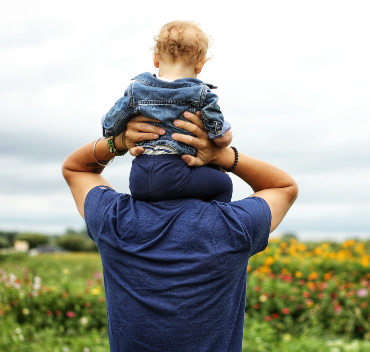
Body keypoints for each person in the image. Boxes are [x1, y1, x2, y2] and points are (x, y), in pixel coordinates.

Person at [62, 111, 298, 351]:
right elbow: (283, 187)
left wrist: (119, 142)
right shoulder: (234, 226)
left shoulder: (114, 219)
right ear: (211, 173)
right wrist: (223, 155)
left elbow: (77, 169)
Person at [102, 20, 233, 202]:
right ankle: (215, 225)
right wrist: (225, 134)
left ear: (156, 58)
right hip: (177, 174)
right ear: (199, 65)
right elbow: (220, 137)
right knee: (223, 184)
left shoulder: (136, 90)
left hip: (139, 177)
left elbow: (110, 127)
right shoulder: (201, 94)